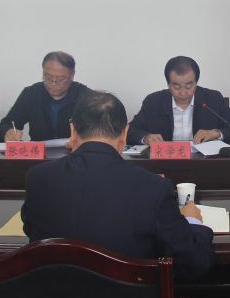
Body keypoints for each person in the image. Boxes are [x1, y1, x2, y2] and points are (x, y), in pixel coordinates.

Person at [21, 92, 213, 279]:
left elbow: (33, 231)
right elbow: (192, 263)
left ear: (72, 131)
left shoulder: (37, 178)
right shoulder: (154, 187)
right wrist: (192, 221)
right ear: (125, 133)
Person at [128, 56, 230, 144]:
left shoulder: (213, 99)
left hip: (204, 164)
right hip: (164, 164)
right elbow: (129, 131)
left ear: (196, 82)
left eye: (189, 86)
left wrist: (215, 133)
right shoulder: (153, 102)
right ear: (168, 84)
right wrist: (146, 137)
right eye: (176, 86)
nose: (183, 92)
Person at [0, 51, 95, 141]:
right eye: (48, 77)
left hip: (75, 152)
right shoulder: (32, 93)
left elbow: (100, 134)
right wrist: (8, 132)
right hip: (40, 153)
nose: (53, 83)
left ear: (72, 75)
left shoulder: (87, 97)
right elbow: (6, 124)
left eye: (60, 79)